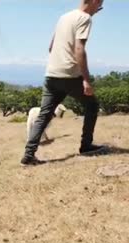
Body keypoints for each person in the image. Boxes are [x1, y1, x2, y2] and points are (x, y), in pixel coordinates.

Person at [21, 0, 105, 166]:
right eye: (99, 3)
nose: (100, 7)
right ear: (94, 1)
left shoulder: (64, 17)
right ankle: (86, 146)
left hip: (51, 74)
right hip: (70, 75)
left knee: (43, 115)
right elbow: (79, 49)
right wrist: (86, 80)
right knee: (92, 106)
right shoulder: (85, 18)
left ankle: (28, 155)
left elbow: (51, 47)